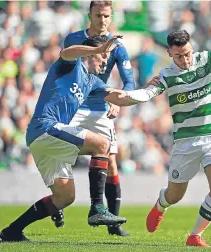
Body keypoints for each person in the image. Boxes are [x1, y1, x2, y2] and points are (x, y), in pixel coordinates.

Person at [106, 30, 211, 247]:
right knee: (175, 194)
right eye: (179, 56)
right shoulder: (166, 75)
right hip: (186, 143)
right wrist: (125, 95)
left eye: (187, 54)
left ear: (192, 46)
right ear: (169, 53)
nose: (185, 60)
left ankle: (195, 236)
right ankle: (161, 204)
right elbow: (147, 94)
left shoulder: (209, 59)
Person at [0, 35, 129, 242]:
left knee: (64, 197)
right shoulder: (72, 64)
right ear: (92, 52)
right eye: (103, 56)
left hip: (45, 139)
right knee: (102, 144)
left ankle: (12, 231)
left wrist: (152, 90)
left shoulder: (93, 81)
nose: (106, 62)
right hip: (45, 127)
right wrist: (99, 49)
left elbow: (119, 96)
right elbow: (66, 52)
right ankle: (97, 207)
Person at [51, 0, 135, 236]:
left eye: (107, 16)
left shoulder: (117, 46)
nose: (103, 20)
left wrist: (117, 99)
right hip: (73, 107)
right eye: (98, 15)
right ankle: (57, 202)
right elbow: (62, 71)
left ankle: (114, 222)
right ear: (89, 15)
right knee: (60, 157)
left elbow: (129, 81)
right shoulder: (73, 39)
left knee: (111, 162)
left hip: (100, 107)